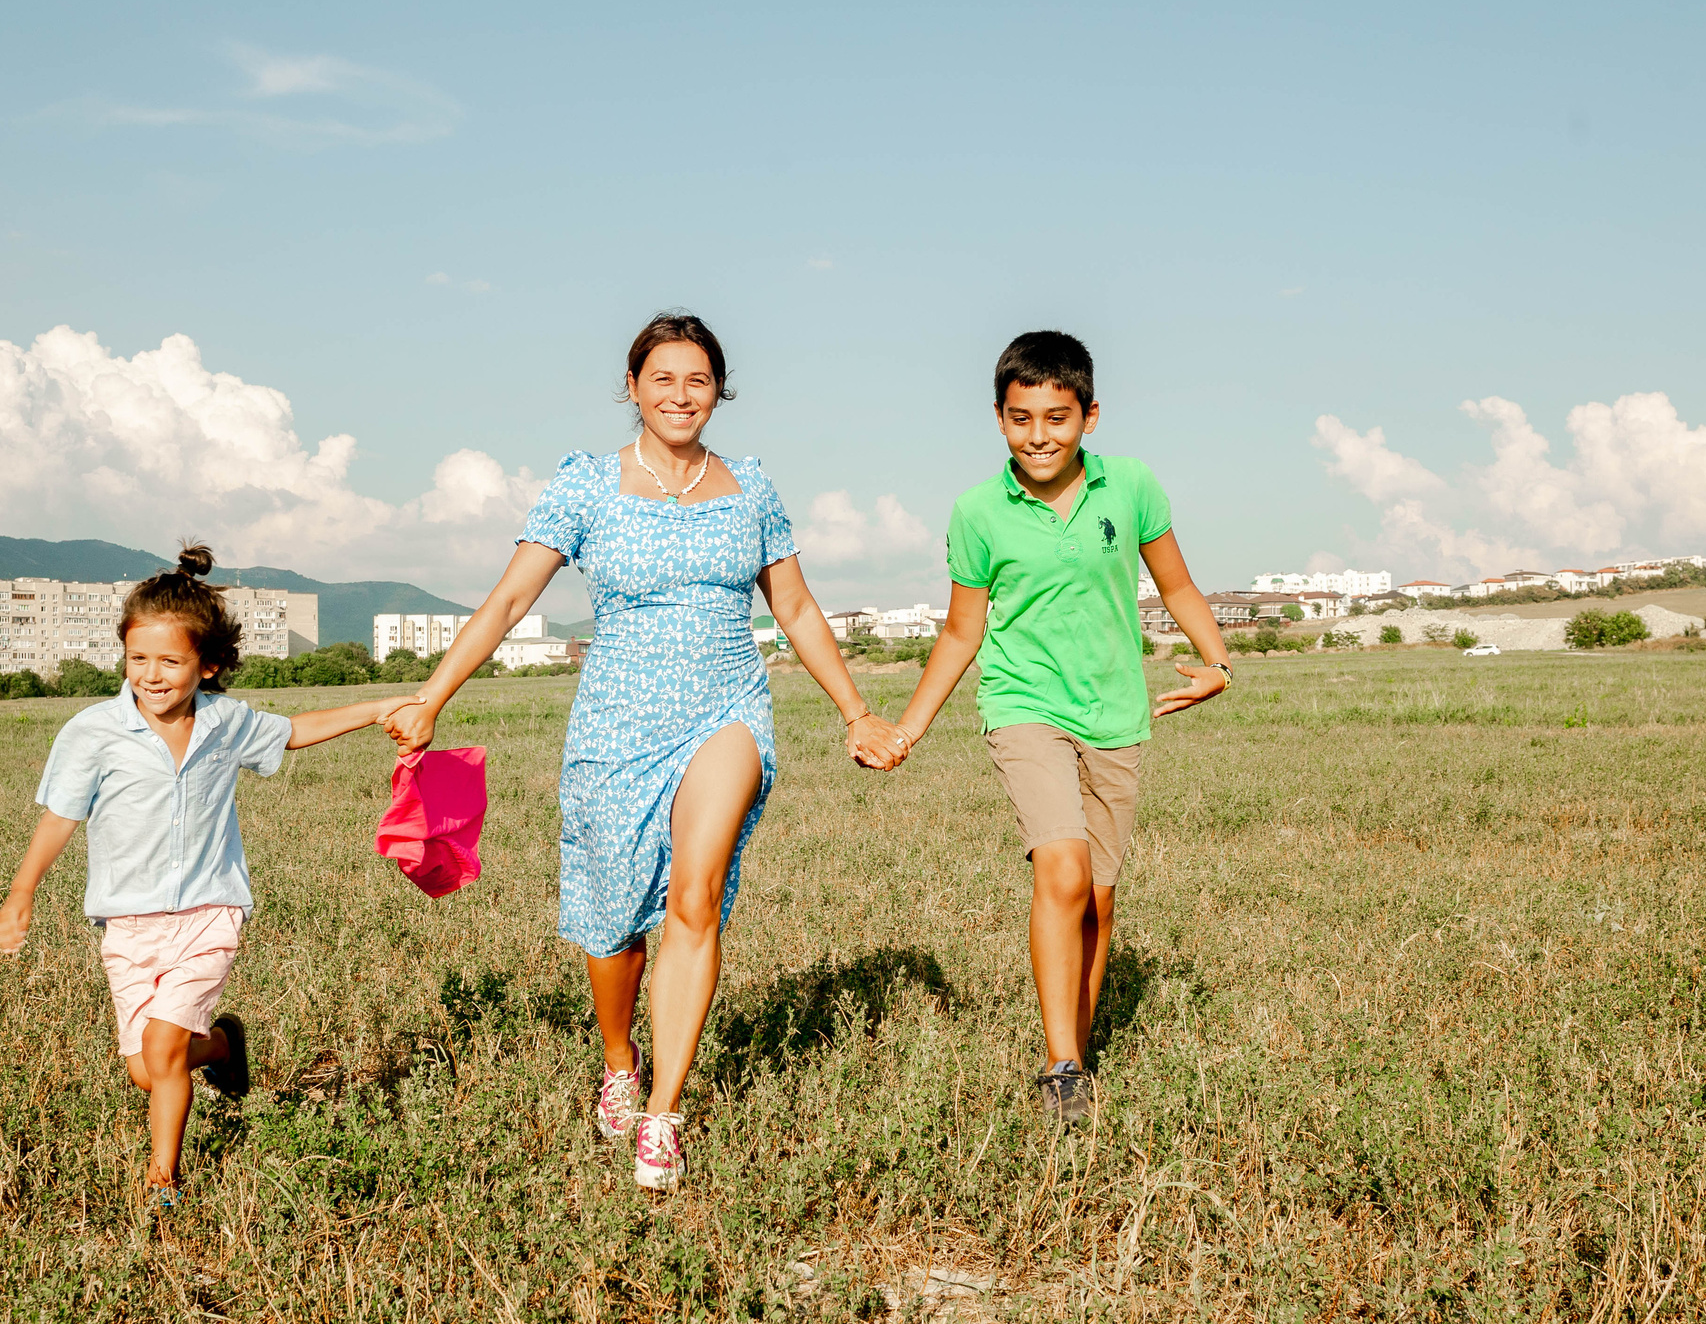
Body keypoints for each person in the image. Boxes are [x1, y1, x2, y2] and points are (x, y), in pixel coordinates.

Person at [384, 311, 903, 1190]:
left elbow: (799, 611)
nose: (681, 394)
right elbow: (511, 602)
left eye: (698, 379)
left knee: (696, 897)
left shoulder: (753, 489)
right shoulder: (584, 486)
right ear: (632, 388)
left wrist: (857, 711)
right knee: (614, 920)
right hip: (616, 722)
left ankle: (663, 1110)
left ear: (718, 391)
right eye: (663, 378)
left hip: (726, 710)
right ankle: (619, 1060)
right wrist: (433, 695)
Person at [888, 330, 1232, 1121]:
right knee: (1063, 869)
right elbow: (960, 632)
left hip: (1115, 712)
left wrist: (1217, 658)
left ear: (1090, 415)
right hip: (1024, 705)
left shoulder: (1133, 487)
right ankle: (1062, 1066)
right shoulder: (978, 511)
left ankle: (1077, 1040)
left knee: (1098, 901)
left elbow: (1175, 584)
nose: (1039, 435)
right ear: (999, 419)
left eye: (1057, 417)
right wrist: (908, 727)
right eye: (1020, 418)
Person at [0, 546, 403, 1212]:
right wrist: (22, 892)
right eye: (138, 659)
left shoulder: (224, 723)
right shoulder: (92, 733)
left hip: (211, 912)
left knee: (160, 1050)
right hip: (128, 924)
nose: (151, 675)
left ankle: (164, 1184)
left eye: (170, 661)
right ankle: (221, 1045)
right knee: (146, 1069)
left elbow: (294, 731)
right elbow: (59, 818)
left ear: (207, 665)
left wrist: (375, 708)